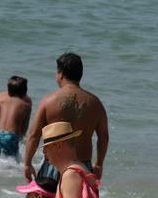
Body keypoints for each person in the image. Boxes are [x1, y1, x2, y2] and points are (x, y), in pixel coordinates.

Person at [22, 53, 109, 183]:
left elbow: (34, 134)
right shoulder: (95, 103)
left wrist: (27, 164)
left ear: (61, 74)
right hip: (82, 167)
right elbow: (103, 137)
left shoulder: (49, 101)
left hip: (53, 166)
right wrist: (99, 164)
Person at [0, 76, 31, 160]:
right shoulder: (26, 106)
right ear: (25, 91)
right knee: (11, 161)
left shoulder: (2, 101)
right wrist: (21, 138)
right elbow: (24, 126)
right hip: (11, 137)